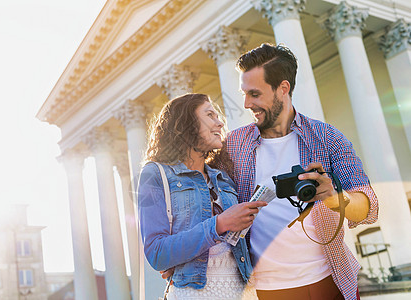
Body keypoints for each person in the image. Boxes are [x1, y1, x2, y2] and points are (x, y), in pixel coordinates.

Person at [226, 43, 379, 300]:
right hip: (268, 290)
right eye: (244, 93)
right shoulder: (232, 146)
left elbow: (369, 206)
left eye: (254, 93)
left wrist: (333, 198)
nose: (246, 103)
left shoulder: (327, 138)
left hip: (331, 280)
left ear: (283, 89)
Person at [137, 93, 263, 299]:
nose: (220, 123)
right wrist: (219, 224)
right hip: (193, 293)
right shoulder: (155, 174)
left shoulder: (222, 177)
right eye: (210, 115)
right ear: (186, 124)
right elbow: (157, 253)